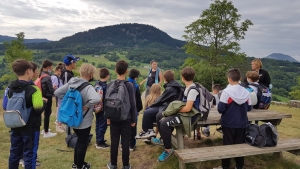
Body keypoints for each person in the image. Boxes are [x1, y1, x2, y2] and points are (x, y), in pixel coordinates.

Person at [54, 63, 100, 169]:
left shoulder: (72, 82)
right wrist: (87, 106)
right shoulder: (88, 87)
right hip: (84, 120)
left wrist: (68, 101)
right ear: (91, 75)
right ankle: (79, 166)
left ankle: (77, 163)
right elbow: (96, 99)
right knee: (82, 143)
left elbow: (57, 92)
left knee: (79, 140)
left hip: (73, 119)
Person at [155, 67, 201, 162]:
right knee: (159, 115)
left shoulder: (192, 90)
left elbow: (188, 108)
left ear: (182, 77)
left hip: (189, 116)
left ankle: (168, 149)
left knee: (164, 123)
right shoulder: (187, 88)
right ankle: (164, 139)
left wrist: (174, 111)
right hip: (184, 113)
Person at [8, 59, 45, 169]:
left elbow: (7, 106)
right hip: (30, 128)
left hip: (15, 125)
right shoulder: (33, 89)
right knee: (30, 155)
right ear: (29, 71)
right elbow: (38, 109)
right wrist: (44, 102)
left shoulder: (11, 89)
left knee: (14, 153)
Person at [214, 68, 252, 169]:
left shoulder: (226, 92)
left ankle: (225, 166)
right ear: (240, 78)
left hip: (228, 122)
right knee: (240, 144)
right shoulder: (246, 92)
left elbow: (221, 109)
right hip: (242, 122)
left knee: (227, 144)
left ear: (229, 79)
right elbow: (249, 108)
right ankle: (239, 166)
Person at [107, 60, 137, 169]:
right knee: (125, 141)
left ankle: (113, 164)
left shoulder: (110, 84)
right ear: (126, 71)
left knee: (114, 141)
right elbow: (133, 104)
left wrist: (108, 117)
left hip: (113, 117)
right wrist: (134, 119)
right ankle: (126, 165)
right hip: (126, 117)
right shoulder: (129, 85)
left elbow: (107, 102)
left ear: (115, 70)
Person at [136, 70, 182, 139]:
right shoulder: (175, 86)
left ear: (166, 78)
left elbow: (161, 99)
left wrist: (152, 105)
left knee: (147, 112)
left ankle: (147, 131)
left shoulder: (170, 88)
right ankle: (149, 130)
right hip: (169, 106)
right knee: (148, 110)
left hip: (168, 108)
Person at [40, 59, 57, 138]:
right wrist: (54, 89)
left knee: (45, 113)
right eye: (51, 66)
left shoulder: (41, 74)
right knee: (47, 113)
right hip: (48, 96)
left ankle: (44, 129)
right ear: (48, 67)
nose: (52, 68)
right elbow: (50, 89)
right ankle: (46, 132)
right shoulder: (47, 76)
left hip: (42, 95)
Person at [127, 69, 143, 151]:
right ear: (136, 77)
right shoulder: (135, 85)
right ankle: (131, 145)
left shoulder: (124, 83)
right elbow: (138, 99)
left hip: (124, 110)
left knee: (124, 127)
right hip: (133, 109)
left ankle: (123, 144)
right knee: (133, 127)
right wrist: (139, 109)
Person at [95, 68, 110, 149]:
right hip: (103, 108)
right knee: (103, 125)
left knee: (97, 123)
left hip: (97, 107)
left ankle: (98, 139)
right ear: (107, 76)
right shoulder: (105, 86)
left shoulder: (97, 84)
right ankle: (100, 142)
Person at [51, 63, 65, 133]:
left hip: (60, 96)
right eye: (61, 71)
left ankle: (60, 124)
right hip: (59, 96)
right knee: (59, 109)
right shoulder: (54, 77)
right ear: (58, 70)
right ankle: (58, 124)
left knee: (60, 109)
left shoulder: (57, 77)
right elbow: (55, 88)